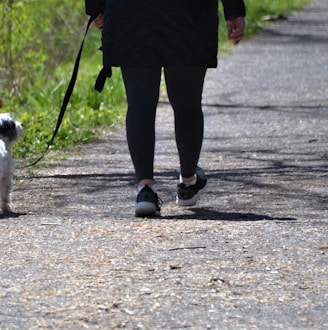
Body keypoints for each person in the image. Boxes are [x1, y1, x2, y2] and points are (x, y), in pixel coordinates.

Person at [85, 0, 246, 217]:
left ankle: (145, 189)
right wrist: (233, 9)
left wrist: (97, 7)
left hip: (131, 14)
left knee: (140, 102)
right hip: (188, 15)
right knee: (187, 103)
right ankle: (188, 181)